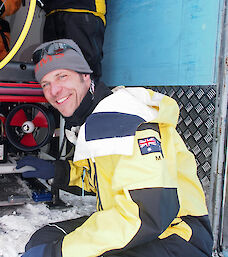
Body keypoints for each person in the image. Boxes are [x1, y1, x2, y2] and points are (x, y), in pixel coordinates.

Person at [17, 39, 213, 257]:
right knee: (43, 240)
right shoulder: (94, 120)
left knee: (57, 250)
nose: (54, 90)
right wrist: (58, 171)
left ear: (85, 76)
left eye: (62, 76)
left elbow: (147, 212)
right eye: (45, 83)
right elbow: (105, 179)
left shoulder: (121, 116)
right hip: (141, 227)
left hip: (175, 236)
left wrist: (59, 252)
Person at [37, 0, 106, 82]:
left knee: (83, 67)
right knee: (53, 69)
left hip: (82, 10)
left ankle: (91, 93)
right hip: (53, 12)